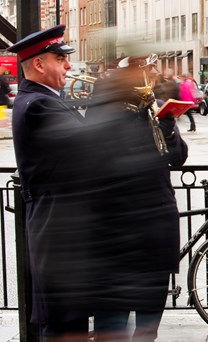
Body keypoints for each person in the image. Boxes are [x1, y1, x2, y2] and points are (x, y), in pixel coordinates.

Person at [8, 24, 122, 341]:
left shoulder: (47, 100)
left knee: (70, 325)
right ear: (40, 63)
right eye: (61, 58)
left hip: (67, 236)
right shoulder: (38, 105)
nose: (69, 65)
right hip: (60, 237)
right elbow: (90, 148)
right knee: (63, 327)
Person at [85, 54, 189, 342]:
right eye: (147, 71)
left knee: (150, 308)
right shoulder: (103, 106)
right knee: (113, 314)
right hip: (117, 223)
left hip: (156, 222)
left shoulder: (152, 106)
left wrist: (168, 129)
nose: (153, 75)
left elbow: (178, 158)